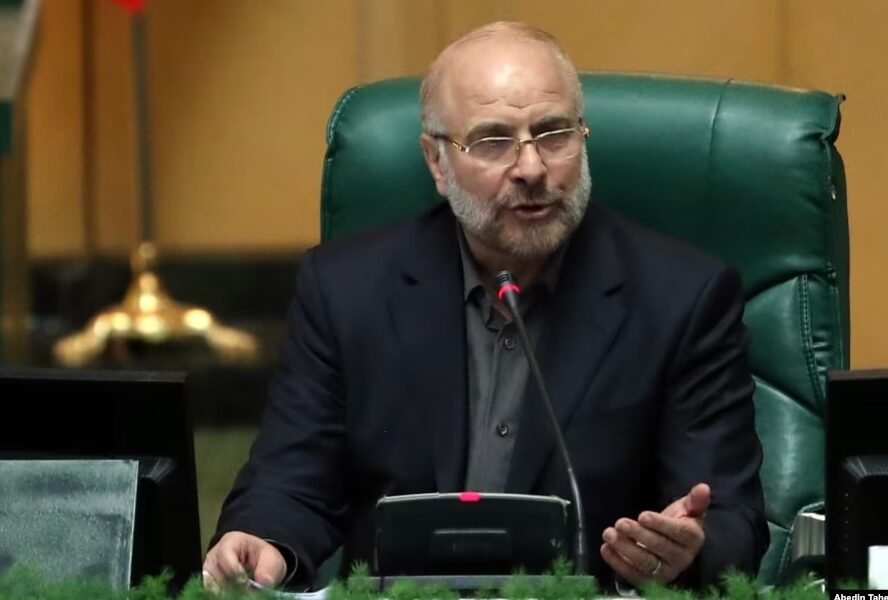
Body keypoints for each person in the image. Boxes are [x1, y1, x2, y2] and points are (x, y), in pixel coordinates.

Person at [202, 21, 768, 592]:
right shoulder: (345, 290)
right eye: (493, 142)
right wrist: (261, 541)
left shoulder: (682, 300)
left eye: (553, 134)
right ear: (436, 162)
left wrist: (685, 553)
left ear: (583, 136)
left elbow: (730, 520)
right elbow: (290, 480)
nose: (531, 168)